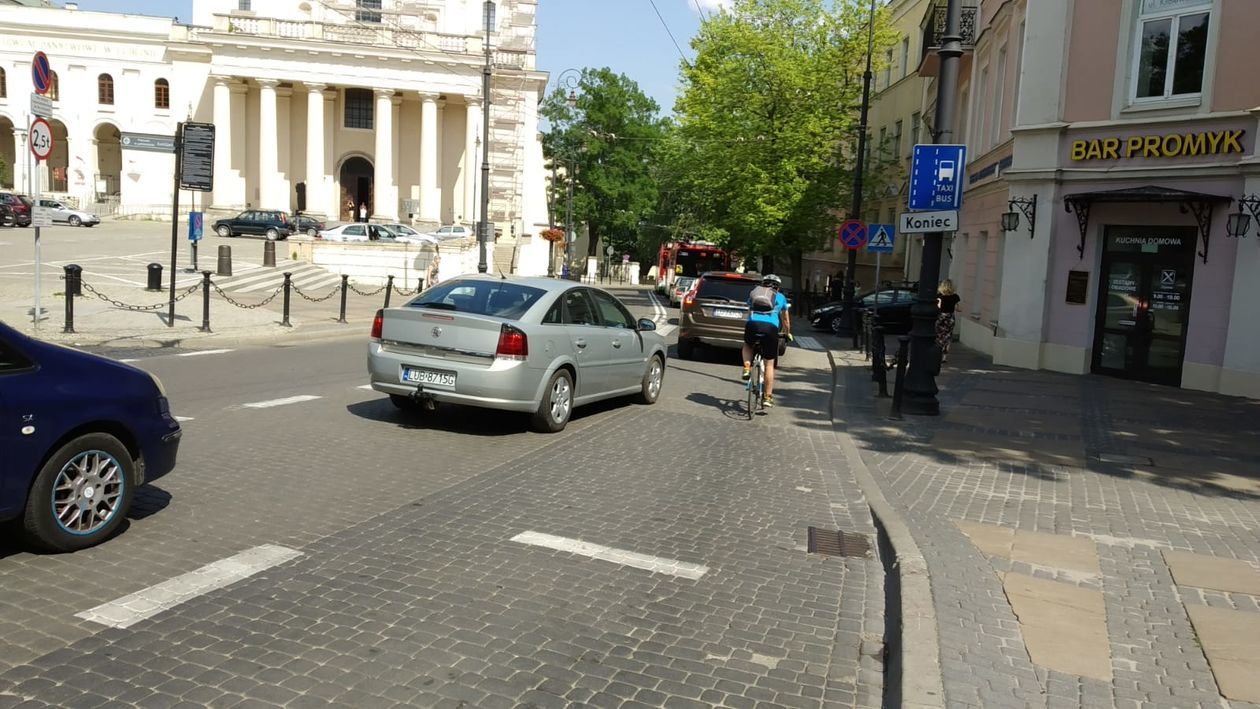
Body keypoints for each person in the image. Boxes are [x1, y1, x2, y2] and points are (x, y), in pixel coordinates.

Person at [741, 274, 793, 408]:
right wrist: (787, 333)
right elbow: (785, 320)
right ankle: (768, 397)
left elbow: (749, 309)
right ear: (778, 286)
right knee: (769, 363)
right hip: (771, 329)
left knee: (748, 345)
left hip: (752, 325)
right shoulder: (780, 297)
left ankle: (747, 367)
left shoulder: (755, 293)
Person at [936, 279, 961, 363]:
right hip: (950, 318)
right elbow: (958, 309)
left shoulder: (940, 296)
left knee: (939, 335)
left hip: (941, 317)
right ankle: (944, 357)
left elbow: (938, 307)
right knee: (948, 336)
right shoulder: (955, 297)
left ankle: (938, 353)